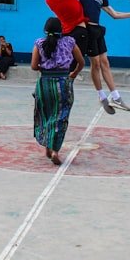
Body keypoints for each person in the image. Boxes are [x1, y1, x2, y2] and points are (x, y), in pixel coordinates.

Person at [31, 17, 84, 166]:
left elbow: (34, 66)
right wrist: (73, 73)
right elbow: (81, 62)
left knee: (45, 114)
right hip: (63, 83)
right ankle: (55, 150)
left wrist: (45, 68)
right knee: (60, 117)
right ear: (62, 29)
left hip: (45, 84)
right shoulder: (69, 42)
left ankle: (47, 146)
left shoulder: (39, 43)